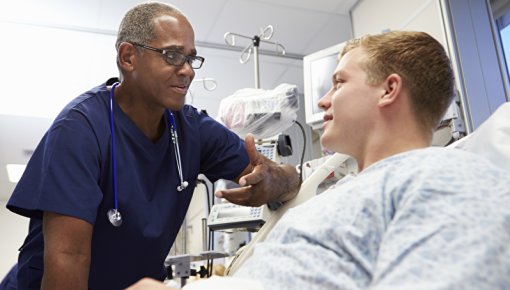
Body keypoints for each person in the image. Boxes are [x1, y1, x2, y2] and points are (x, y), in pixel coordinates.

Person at [128, 30, 510, 289]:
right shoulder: (345, 192)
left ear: (389, 90)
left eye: (340, 83)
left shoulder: (444, 179)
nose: (324, 100)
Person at [1, 2, 300, 290]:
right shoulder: (81, 129)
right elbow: (69, 258)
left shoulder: (192, 129)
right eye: (172, 55)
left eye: (191, 58)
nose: (188, 70)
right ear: (128, 57)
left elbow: (284, 175)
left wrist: (272, 182)